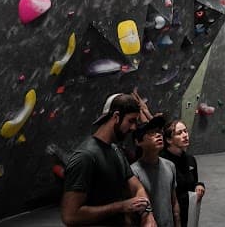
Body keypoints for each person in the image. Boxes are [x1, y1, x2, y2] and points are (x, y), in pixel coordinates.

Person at [61, 93, 156, 226]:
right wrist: (121, 206)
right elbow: (70, 216)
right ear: (116, 117)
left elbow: (137, 187)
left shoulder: (116, 150)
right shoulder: (85, 157)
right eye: (131, 121)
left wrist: (148, 215)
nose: (134, 127)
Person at [132, 116, 180, 227]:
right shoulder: (133, 172)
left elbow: (174, 202)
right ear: (138, 142)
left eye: (159, 132)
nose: (158, 135)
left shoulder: (170, 166)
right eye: (151, 133)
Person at [161, 119, 206, 227]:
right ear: (169, 139)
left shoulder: (190, 159)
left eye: (185, 131)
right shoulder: (162, 162)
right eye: (179, 133)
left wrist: (199, 185)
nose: (185, 135)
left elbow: (192, 183)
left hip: (188, 214)